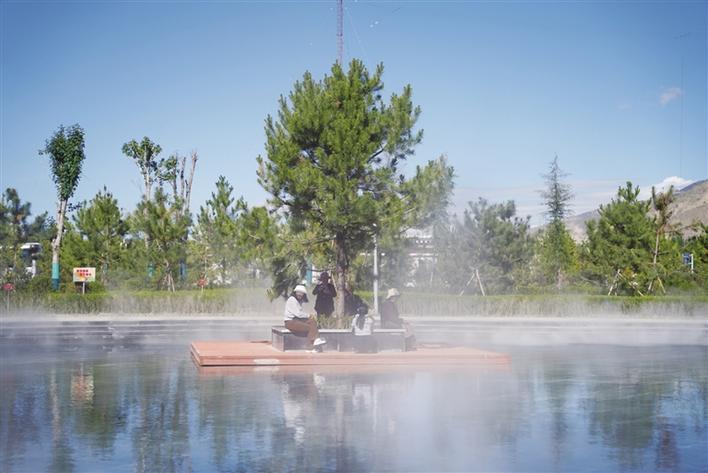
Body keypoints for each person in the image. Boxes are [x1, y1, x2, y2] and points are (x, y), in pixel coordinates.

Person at [284, 284, 327, 352]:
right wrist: (309, 315)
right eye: (298, 292)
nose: (300, 294)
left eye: (302, 293)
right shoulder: (292, 300)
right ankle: (310, 346)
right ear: (295, 292)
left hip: (296, 320)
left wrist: (311, 317)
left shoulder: (298, 301)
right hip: (290, 322)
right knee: (310, 328)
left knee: (312, 321)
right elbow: (298, 314)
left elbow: (300, 315)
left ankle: (316, 341)